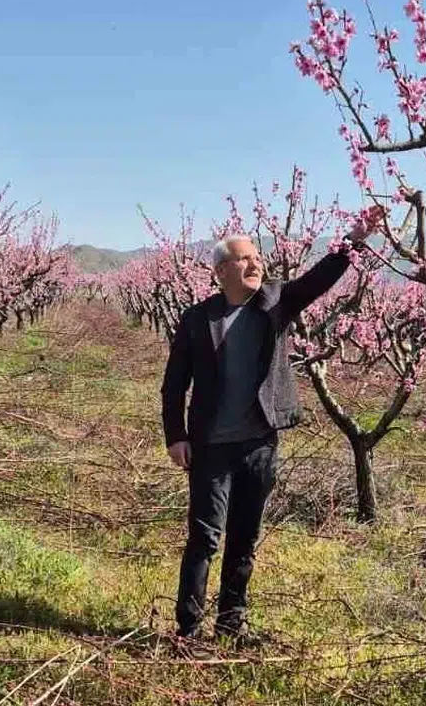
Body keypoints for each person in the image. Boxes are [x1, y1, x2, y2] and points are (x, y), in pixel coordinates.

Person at [160, 222, 370, 644]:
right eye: (244, 258)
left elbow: (319, 279)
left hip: (259, 443)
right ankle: (188, 631)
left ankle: (231, 624)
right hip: (210, 446)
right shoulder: (198, 318)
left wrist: (355, 239)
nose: (256, 263)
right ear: (221, 270)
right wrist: (175, 435)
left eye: (257, 257)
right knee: (204, 537)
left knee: (244, 536)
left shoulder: (276, 302)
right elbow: (174, 382)